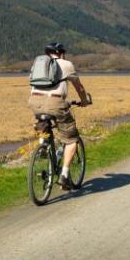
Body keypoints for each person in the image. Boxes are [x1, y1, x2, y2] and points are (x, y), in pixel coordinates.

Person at [27, 42, 90, 190]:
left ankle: (44, 144)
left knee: (44, 119)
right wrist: (84, 101)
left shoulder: (37, 65)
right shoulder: (67, 64)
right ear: (61, 53)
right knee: (71, 139)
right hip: (56, 104)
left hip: (34, 102)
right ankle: (64, 175)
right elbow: (79, 87)